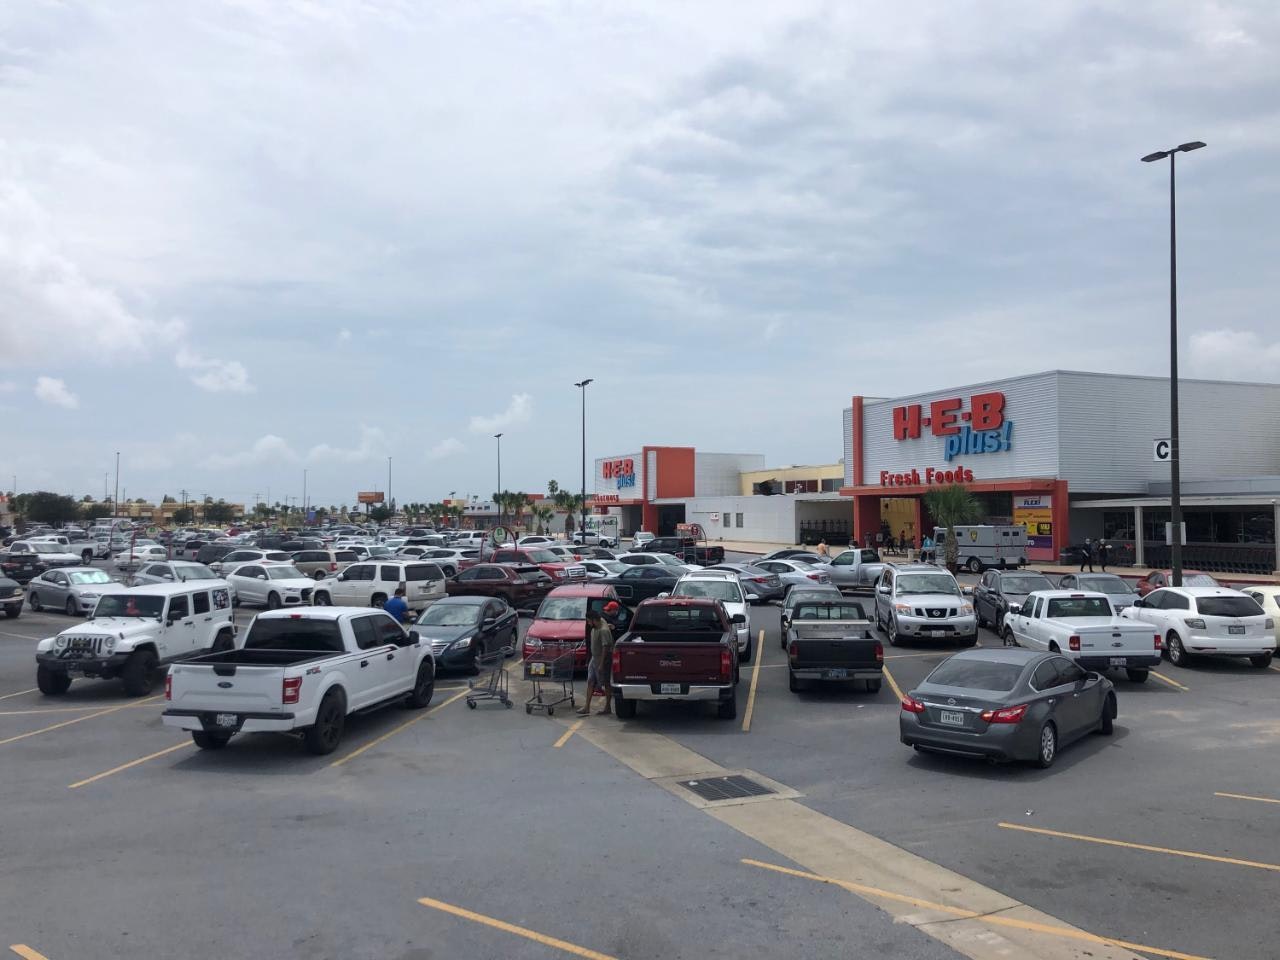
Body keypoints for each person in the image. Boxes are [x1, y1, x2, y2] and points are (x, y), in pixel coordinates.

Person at [577, 608, 615, 716]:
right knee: (590, 681)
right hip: (594, 658)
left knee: (606, 683)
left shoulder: (603, 630)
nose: (588, 624)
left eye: (589, 621)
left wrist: (601, 664)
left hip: (602, 659)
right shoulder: (600, 621)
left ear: (594, 620)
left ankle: (607, 707)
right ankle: (587, 707)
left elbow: (605, 648)